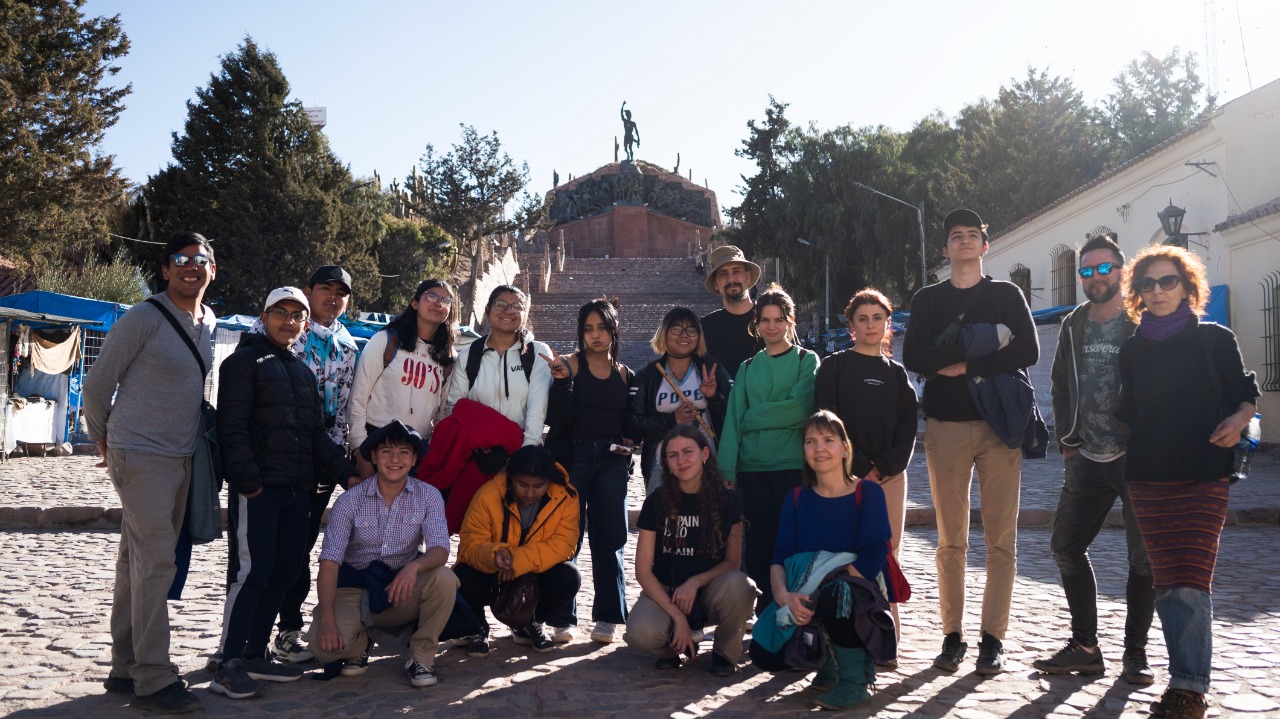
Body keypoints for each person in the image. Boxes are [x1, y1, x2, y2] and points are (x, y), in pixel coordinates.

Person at [1115, 245, 1259, 719]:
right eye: (1147, 284)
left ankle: (1189, 686)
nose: (1157, 291)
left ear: (1187, 286)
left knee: (1192, 580)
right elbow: (1128, 413)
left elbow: (1245, 397)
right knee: (1168, 581)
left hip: (1203, 474)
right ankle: (1184, 678)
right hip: (1148, 478)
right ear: (1136, 293)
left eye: (1167, 281)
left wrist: (1238, 422)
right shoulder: (1132, 350)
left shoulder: (1215, 339)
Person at [83, 232, 217, 714]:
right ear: (165, 270)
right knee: (158, 560)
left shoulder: (208, 322)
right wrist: (104, 438)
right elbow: (97, 387)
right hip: (139, 452)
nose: (190, 267)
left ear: (211, 270)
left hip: (182, 456)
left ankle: (125, 665)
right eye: (180, 260)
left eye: (200, 260)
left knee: (135, 563)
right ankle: (155, 677)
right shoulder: (144, 317)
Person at [902, 208, 1038, 676]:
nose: (964, 242)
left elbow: (1029, 350)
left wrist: (969, 366)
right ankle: (952, 635)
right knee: (950, 539)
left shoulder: (1006, 294)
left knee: (1002, 538)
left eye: (972, 236)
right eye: (955, 236)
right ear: (945, 249)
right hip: (947, 425)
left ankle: (992, 639)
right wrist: (975, 353)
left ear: (985, 246)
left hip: (1000, 426)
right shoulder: (927, 300)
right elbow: (913, 354)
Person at [211, 287, 361, 699]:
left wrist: (349, 476)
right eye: (281, 312)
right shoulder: (243, 362)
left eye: (298, 316)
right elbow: (233, 428)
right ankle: (229, 661)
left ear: (306, 324)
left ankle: (256, 654)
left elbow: (315, 436)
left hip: (297, 490)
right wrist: (249, 482)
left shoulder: (300, 372)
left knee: (284, 572)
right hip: (260, 491)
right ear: (265, 315)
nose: (289, 321)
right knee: (251, 574)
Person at [1033, 232, 1156, 684]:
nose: (1096, 276)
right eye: (1087, 270)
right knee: (1065, 546)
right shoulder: (1074, 324)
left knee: (1142, 561)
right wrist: (1067, 440)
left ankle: (1135, 654)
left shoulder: (1142, 323)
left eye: (1105, 268)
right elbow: (1061, 384)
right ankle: (1085, 647)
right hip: (1085, 456)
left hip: (1136, 458)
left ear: (1122, 272)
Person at [243, 265, 361, 665]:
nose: (333, 296)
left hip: (321, 459)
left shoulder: (349, 346)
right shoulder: (282, 332)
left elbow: (344, 406)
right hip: (274, 457)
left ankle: (288, 630)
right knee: (257, 557)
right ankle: (238, 642)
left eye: (341, 291)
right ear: (308, 291)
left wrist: (343, 460)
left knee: (299, 549)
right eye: (325, 288)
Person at [755, 411, 893, 710]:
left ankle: (856, 682)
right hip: (805, 592)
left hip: (856, 593)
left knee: (836, 594)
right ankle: (829, 659)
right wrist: (783, 597)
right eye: (811, 441)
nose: (819, 448)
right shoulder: (795, 498)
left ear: (845, 448)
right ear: (803, 451)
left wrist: (824, 587)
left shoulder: (867, 493)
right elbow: (780, 556)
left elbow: (873, 555)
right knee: (764, 655)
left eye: (828, 440)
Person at [307, 420, 459, 688]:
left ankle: (421, 656)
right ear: (374, 457)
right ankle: (360, 644)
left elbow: (439, 549)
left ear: (414, 460)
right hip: (354, 589)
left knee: (444, 579)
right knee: (323, 648)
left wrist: (413, 568)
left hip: (398, 587)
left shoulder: (429, 496)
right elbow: (329, 563)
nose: (395, 459)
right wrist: (329, 620)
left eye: (404, 452)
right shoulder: (349, 501)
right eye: (387, 451)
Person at [813, 287, 917, 660]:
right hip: (843, 479)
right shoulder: (834, 367)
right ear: (851, 325)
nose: (871, 325)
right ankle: (839, 640)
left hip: (888, 478)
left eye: (878, 318)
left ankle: (885, 640)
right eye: (863, 318)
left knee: (885, 554)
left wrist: (881, 469)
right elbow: (827, 423)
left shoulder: (897, 374)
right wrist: (855, 470)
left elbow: (907, 430)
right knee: (841, 555)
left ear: (888, 324)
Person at [717, 283, 819, 611]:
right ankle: (764, 612)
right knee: (758, 542)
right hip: (752, 467)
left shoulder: (807, 360)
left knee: (790, 539)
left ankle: (792, 607)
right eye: (765, 319)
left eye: (778, 319)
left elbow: (800, 408)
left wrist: (754, 416)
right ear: (756, 323)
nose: (771, 326)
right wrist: (726, 469)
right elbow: (734, 420)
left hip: (790, 464)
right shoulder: (747, 367)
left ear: (790, 321)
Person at [625, 425, 755, 677]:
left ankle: (724, 654)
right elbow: (642, 570)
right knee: (640, 634)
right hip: (667, 591)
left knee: (743, 585)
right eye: (673, 455)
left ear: (704, 454)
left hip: (711, 591)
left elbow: (732, 561)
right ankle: (672, 648)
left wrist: (695, 582)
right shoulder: (656, 500)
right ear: (666, 463)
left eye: (688, 452)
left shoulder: (730, 500)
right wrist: (677, 615)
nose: (681, 460)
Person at [542, 298, 635, 644]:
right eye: (588, 329)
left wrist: (628, 445)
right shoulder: (569, 365)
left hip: (611, 460)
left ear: (613, 329)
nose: (595, 335)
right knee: (567, 535)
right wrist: (563, 383)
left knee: (611, 537)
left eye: (602, 327)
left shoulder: (625, 373)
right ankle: (562, 616)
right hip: (573, 457)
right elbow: (556, 418)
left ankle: (608, 616)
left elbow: (629, 421)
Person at [455, 446, 582, 655]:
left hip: (533, 571)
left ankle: (529, 621)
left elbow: (565, 545)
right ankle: (476, 627)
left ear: (549, 481)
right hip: (491, 571)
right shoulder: (488, 494)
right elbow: (470, 544)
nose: (530, 493)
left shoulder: (567, 496)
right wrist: (495, 556)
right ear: (511, 478)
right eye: (522, 485)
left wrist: (516, 561)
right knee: (462, 576)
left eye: (538, 486)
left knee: (569, 576)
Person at [349, 279, 457, 480]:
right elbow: (358, 397)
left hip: (417, 451)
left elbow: (444, 412)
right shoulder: (386, 341)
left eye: (446, 300)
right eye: (431, 296)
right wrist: (360, 450)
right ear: (415, 303)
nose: (438, 303)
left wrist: (431, 451)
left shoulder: (448, 357)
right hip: (375, 443)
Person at [625, 307, 732, 494]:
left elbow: (730, 417)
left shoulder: (711, 369)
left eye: (691, 330)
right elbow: (633, 423)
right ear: (664, 333)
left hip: (707, 462)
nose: (684, 335)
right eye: (676, 329)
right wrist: (672, 420)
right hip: (662, 464)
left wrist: (713, 397)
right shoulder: (648, 375)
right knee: (663, 519)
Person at [444, 284, 553, 449]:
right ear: (488, 309)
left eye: (517, 307)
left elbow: (538, 406)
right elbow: (455, 406)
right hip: (477, 451)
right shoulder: (468, 356)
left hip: (521, 448)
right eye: (500, 305)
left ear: (525, 313)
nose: (508, 311)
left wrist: (528, 449)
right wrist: (476, 441)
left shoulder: (537, 353)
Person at [700, 245, 763, 381]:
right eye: (723, 274)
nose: (731, 279)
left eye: (736, 271)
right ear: (716, 283)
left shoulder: (771, 318)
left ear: (747, 277)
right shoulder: (706, 327)